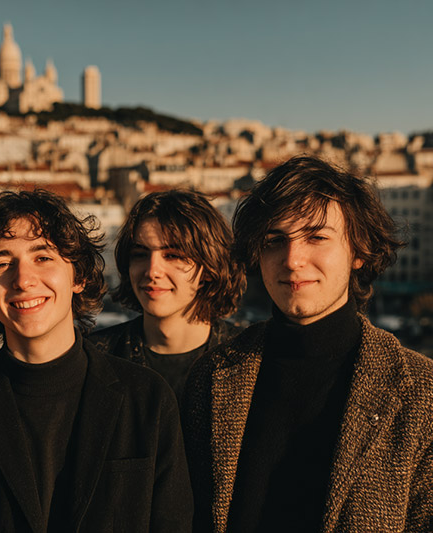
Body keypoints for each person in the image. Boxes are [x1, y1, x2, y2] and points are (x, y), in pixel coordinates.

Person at [183, 155, 433, 532]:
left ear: (359, 251)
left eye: (316, 237)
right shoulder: (215, 376)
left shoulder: (420, 394)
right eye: (274, 240)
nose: (293, 259)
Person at [0, 188, 193, 532]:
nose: (23, 279)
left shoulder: (148, 400)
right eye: (2, 264)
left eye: (43, 257)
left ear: (78, 276)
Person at [91, 190, 245, 404]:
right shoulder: (95, 358)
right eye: (140, 254)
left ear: (208, 268)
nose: (153, 270)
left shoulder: (248, 359)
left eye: (173, 255)